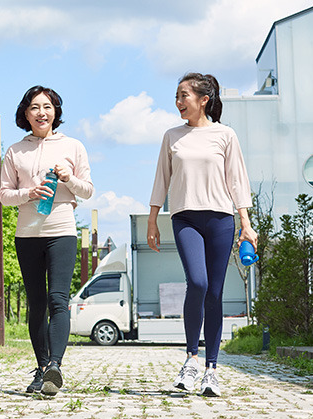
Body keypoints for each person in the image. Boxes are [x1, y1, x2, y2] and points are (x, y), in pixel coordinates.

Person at [148, 73, 257, 397]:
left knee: (215, 293)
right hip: (185, 218)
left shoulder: (225, 135)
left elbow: (237, 180)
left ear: (203, 99)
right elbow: (161, 180)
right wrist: (153, 219)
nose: (179, 102)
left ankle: (211, 368)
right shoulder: (172, 136)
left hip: (222, 219)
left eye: (184, 96)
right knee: (197, 282)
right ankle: (191, 359)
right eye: (177, 97)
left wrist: (246, 224)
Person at [0, 85, 93, 396]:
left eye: (48, 106)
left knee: (58, 299)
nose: (42, 112)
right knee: (37, 304)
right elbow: (3, 195)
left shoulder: (73, 146)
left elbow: (88, 190)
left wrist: (69, 178)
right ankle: (40, 370)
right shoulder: (15, 151)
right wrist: (29, 193)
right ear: (25, 113)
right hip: (27, 234)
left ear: (56, 112)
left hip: (62, 230)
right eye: (35, 107)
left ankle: (55, 365)